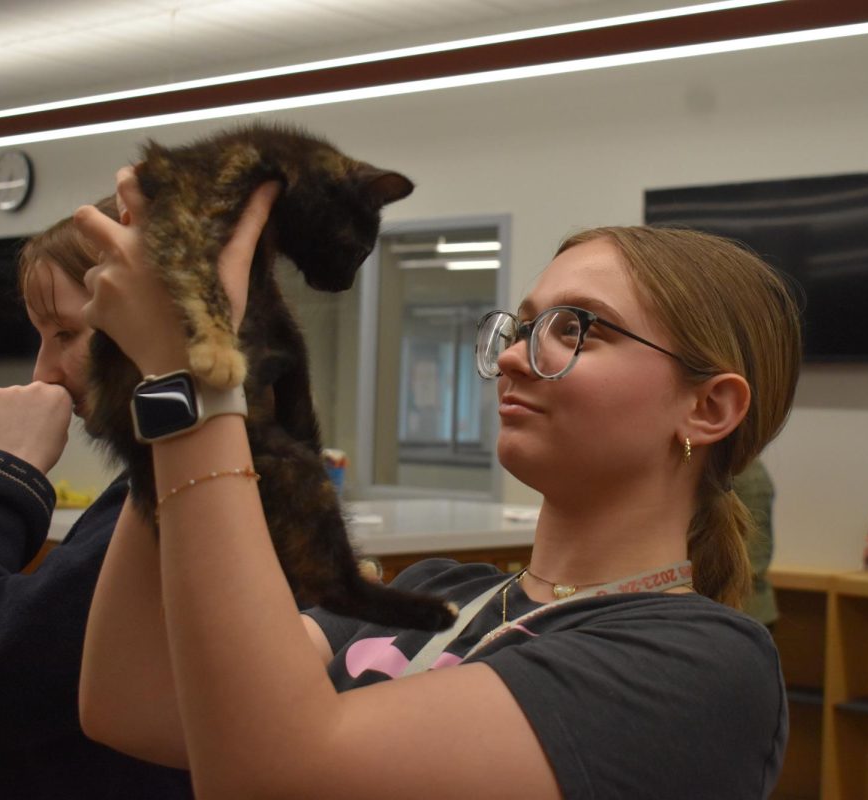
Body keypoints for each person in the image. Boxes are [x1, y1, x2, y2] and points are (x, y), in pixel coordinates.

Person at [76, 168, 802, 799]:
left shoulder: (702, 666)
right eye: (522, 328)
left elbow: (276, 775)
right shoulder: (432, 594)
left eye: (579, 329)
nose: (516, 358)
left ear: (708, 408)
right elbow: (132, 700)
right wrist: (161, 373)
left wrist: (195, 378)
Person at [0, 200, 193, 799]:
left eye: (66, 333)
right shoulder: (188, 484)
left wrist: (5, 471)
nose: (43, 372)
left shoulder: (177, 506)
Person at [735, 458, 779, 629]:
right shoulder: (748, 469)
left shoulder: (742, 471)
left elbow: (751, 565)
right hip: (750, 609)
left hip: (742, 611)